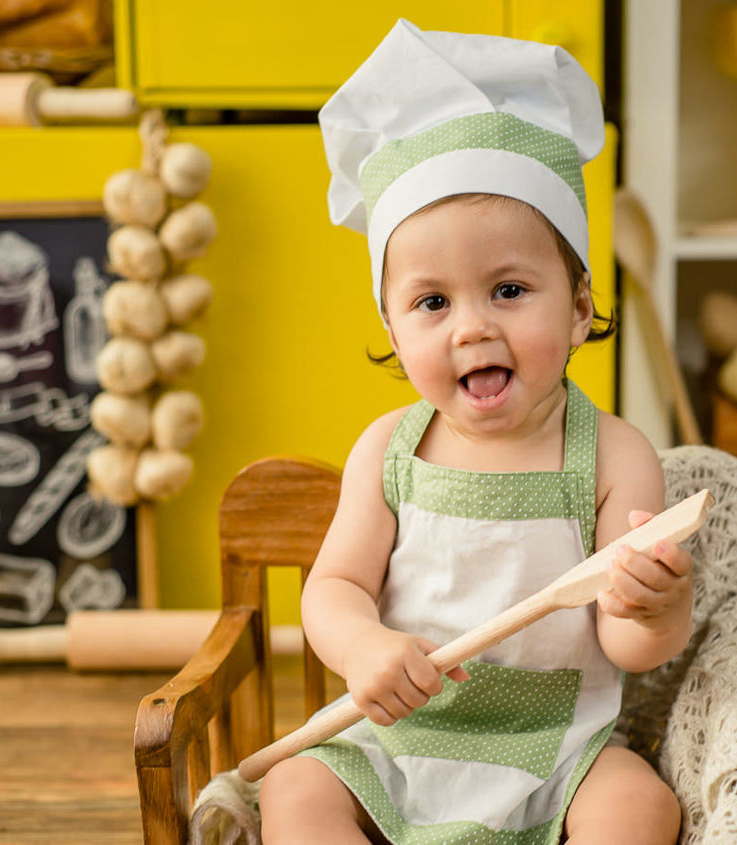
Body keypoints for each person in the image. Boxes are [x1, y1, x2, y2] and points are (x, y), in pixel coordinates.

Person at [258, 19, 693, 845]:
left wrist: (655, 606)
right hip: (400, 733)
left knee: (642, 806)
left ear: (578, 306)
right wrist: (364, 646)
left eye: (509, 290)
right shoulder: (388, 450)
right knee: (293, 788)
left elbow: (626, 644)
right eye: (432, 302)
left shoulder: (612, 456)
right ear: (392, 330)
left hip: (558, 745)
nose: (472, 327)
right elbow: (334, 587)